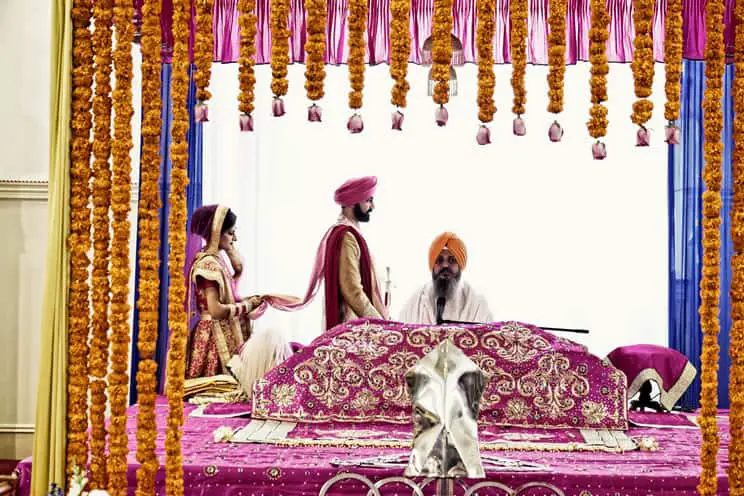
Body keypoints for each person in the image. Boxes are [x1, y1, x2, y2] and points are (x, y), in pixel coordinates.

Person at [185, 204, 291, 384]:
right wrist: (248, 306)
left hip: (224, 330)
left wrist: (235, 261)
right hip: (213, 337)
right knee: (220, 388)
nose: (235, 238)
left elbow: (229, 293)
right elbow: (216, 310)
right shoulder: (207, 265)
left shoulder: (217, 260)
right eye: (230, 233)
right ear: (217, 232)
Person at [398, 232, 493, 325]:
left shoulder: (477, 303)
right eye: (439, 260)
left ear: (460, 265)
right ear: (432, 266)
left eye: (452, 260)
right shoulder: (415, 302)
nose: (445, 265)